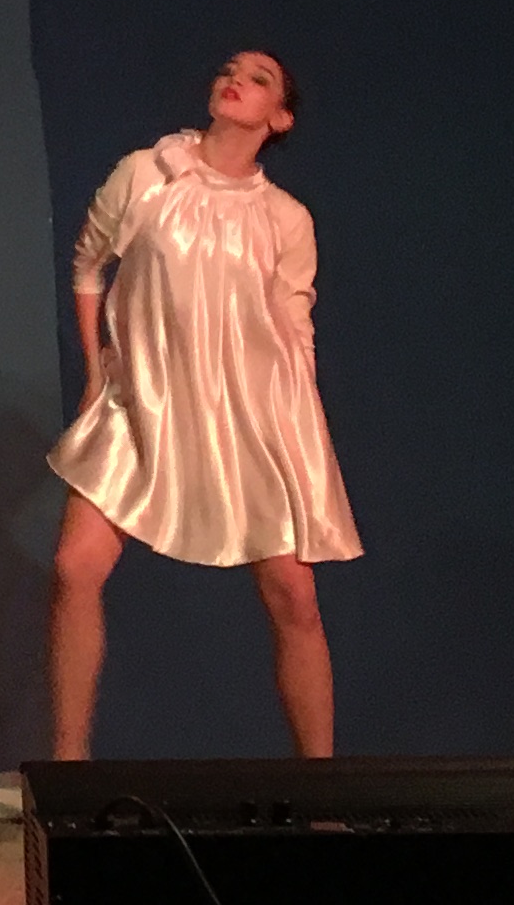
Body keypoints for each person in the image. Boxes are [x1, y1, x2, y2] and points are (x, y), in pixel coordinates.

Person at [44, 49, 358, 760]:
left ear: (280, 118)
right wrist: (96, 372)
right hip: (143, 399)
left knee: (294, 595)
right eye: (230, 69)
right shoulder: (146, 174)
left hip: (250, 412)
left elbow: (295, 326)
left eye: (259, 79)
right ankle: (67, 769)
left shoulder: (285, 218)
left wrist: (301, 433)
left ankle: (322, 783)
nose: (236, 79)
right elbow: (89, 265)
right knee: (74, 567)